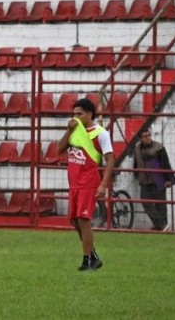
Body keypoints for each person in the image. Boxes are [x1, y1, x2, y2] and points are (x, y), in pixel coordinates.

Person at [57, 98, 115, 271]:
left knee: (83, 219)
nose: (75, 117)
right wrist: (69, 130)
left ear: (90, 114)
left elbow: (110, 159)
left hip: (88, 182)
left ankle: (87, 261)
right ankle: (93, 256)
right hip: (74, 183)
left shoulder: (101, 133)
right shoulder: (74, 130)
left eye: (79, 114)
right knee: (75, 221)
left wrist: (103, 185)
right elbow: (59, 148)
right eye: (74, 113)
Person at [133, 129, 175, 231]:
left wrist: (169, 179)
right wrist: (136, 174)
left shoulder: (158, 147)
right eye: (145, 136)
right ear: (140, 138)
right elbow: (136, 163)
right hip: (144, 178)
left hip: (158, 176)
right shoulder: (137, 148)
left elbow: (166, 163)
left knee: (160, 205)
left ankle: (162, 226)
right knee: (145, 202)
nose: (148, 137)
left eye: (149, 135)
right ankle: (161, 225)